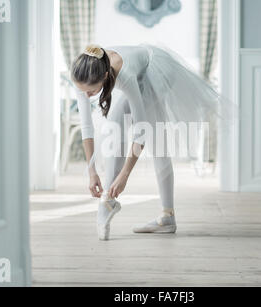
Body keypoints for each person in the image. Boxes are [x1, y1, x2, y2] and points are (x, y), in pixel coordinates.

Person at [71, 43, 233, 241]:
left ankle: (162, 215)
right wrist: (91, 171)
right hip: (135, 71)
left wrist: (124, 175)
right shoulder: (82, 77)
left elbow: (141, 132)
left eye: (91, 92)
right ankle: (111, 202)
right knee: (114, 122)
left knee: (155, 134)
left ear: (104, 78)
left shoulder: (125, 76)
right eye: (83, 91)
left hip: (156, 69)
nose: (87, 96)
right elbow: (87, 127)